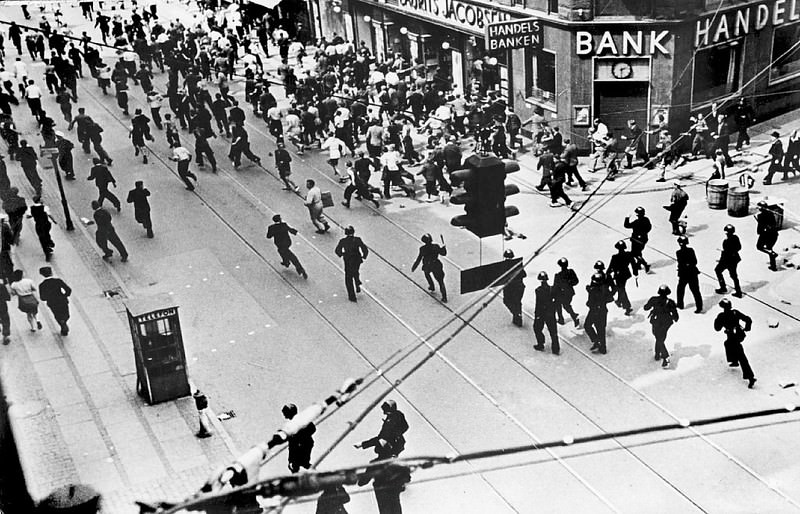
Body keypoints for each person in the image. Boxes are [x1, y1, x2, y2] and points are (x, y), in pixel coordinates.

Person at [714, 298, 756, 388]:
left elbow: (717, 328)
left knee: (741, 355)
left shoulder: (722, 316)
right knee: (727, 344)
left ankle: (750, 377)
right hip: (739, 334)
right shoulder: (735, 312)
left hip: (732, 335)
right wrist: (747, 328)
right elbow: (748, 319)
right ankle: (734, 361)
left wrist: (717, 321)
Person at [643, 284, 679, 368]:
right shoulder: (670, 302)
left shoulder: (654, 299)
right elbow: (675, 315)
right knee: (660, 338)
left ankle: (665, 357)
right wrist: (674, 318)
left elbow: (646, 307)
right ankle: (657, 354)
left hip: (656, 321)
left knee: (658, 338)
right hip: (666, 322)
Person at [266, 214, 307, 279]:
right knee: (285, 252)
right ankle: (287, 262)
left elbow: (268, 236)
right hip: (287, 243)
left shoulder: (271, 227)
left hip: (280, 244)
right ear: (280, 219)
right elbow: (290, 230)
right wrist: (295, 232)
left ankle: (296, 267)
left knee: (289, 255)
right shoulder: (284, 225)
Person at [335, 225, 368, 302]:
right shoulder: (357, 240)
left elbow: (337, 250)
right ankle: (357, 282)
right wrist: (364, 256)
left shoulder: (343, 241)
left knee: (348, 278)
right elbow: (364, 248)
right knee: (356, 271)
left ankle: (352, 296)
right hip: (357, 259)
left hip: (348, 260)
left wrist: (342, 254)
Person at [411, 233, 447, 303]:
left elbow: (419, 259)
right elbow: (444, 253)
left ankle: (431, 286)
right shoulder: (436, 246)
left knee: (426, 273)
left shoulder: (422, 249)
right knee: (441, 281)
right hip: (436, 264)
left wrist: (414, 267)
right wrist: (444, 248)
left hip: (428, 265)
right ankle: (444, 297)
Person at [585, 272, 614, 354]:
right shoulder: (603, 288)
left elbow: (592, 298)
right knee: (600, 329)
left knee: (589, 326)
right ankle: (601, 346)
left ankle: (598, 343)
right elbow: (610, 298)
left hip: (596, 310)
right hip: (602, 310)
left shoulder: (594, 289)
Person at [281, 403, 315, 473]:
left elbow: (312, 428)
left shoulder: (301, 420)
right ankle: (297, 478)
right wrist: (290, 460)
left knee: (302, 463)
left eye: (285, 413)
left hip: (304, 444)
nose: (285, 416)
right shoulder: (290, 426)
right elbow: (291, 445)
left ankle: (314, 473)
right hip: (297, 446)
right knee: (295, 464)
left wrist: (301, 437)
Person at [38, 266, 71, 336]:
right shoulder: (58, 281)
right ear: (51, 273)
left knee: (57, 314)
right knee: (66, 314)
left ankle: (62, 324)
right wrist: (64, 296)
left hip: (52, 302)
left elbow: (42, 298)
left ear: (42, 274)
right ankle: (64, 322)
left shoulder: (42, 285)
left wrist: (49, 298)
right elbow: (68, 290)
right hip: (62, 300)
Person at [532, 271, 560, 355]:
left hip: (541, 314)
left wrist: (537, 315)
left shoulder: (538, 290)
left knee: (537, 328)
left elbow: (538, 304)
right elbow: (556, 301)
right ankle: (555, 349)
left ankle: (541, 343)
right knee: (553, 332)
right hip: (550, 313)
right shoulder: (552, 289)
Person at [675, 236, 703, 313]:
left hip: (685, 274)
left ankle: (680, 304)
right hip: (692, 273)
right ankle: (699, 307)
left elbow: (682, 263)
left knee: (682, 289)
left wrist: (686, 264)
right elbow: (694, 261)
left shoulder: (679, 253)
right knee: (695, 291)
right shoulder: (690, 250)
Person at [608, 240, 637, 316]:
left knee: (621, 289)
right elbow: (633, 264)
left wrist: (607, 274)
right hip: (626, 274)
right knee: (621, 288)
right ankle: (619, 301)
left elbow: (611, 267)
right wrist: (635, 273)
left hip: (618, 275)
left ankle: (627, 307)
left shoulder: (615, 257)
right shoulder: (628, 255)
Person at [715, 224, 743, 298]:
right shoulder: (735, 238)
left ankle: (723, 287)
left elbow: (726, 253)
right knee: (734, 276)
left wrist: (721, 260)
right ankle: (738, 291)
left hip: (727, 260)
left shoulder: (726, 241)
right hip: (734, 259)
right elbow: (739, 247)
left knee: (718, 270)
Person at [502, 249, 526, 327]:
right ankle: (517, 317)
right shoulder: (517, 264)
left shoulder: (503, 265)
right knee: (517, 302)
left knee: (506, 301)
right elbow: (524, 274)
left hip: (510, 287)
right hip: (520, 287)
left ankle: (516, 314)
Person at [553, 257, 580, 327]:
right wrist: (569, 283)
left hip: (561, 293)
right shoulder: (571, 272)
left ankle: (561, 319)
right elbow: (576, 281)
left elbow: (555, 287)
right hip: (569, 293)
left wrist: (552, 295)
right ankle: (573, 316)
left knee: (559, 304)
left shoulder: (558, 275)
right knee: (566, 305)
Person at [624, 207, 651, 272]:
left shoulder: (636, 222)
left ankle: (645, 264)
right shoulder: (646, 219)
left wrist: (627, 218)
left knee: (635, 254)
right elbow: (649, 228)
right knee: (638, 252)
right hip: (644, 239)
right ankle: (638, 264)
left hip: (636, 240)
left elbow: (627, 225)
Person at [755, 200, 779, 271]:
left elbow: (760, 227)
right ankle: (773, 266)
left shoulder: (760, 216)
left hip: (765, 235)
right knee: (769, 248)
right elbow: (774, 224)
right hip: (774, 234)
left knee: (759, 247)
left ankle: (772, 253)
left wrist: (759, 232)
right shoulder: (771, 214)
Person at [29, 196, 55, 261]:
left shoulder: (32, 208)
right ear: (39, 200)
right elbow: (49, 215)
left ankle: (47, 251)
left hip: (38, 225)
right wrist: (54, 220)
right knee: (46, 234)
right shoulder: (44, 207)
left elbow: (28, 215)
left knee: (42, 238)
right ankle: (49, 242)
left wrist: (34, 215)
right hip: (46, 224)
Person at [0, 278, 10, 344]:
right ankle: (5, 336)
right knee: (5, 319)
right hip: (2, 305)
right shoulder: (1, 286)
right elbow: (8, 297)